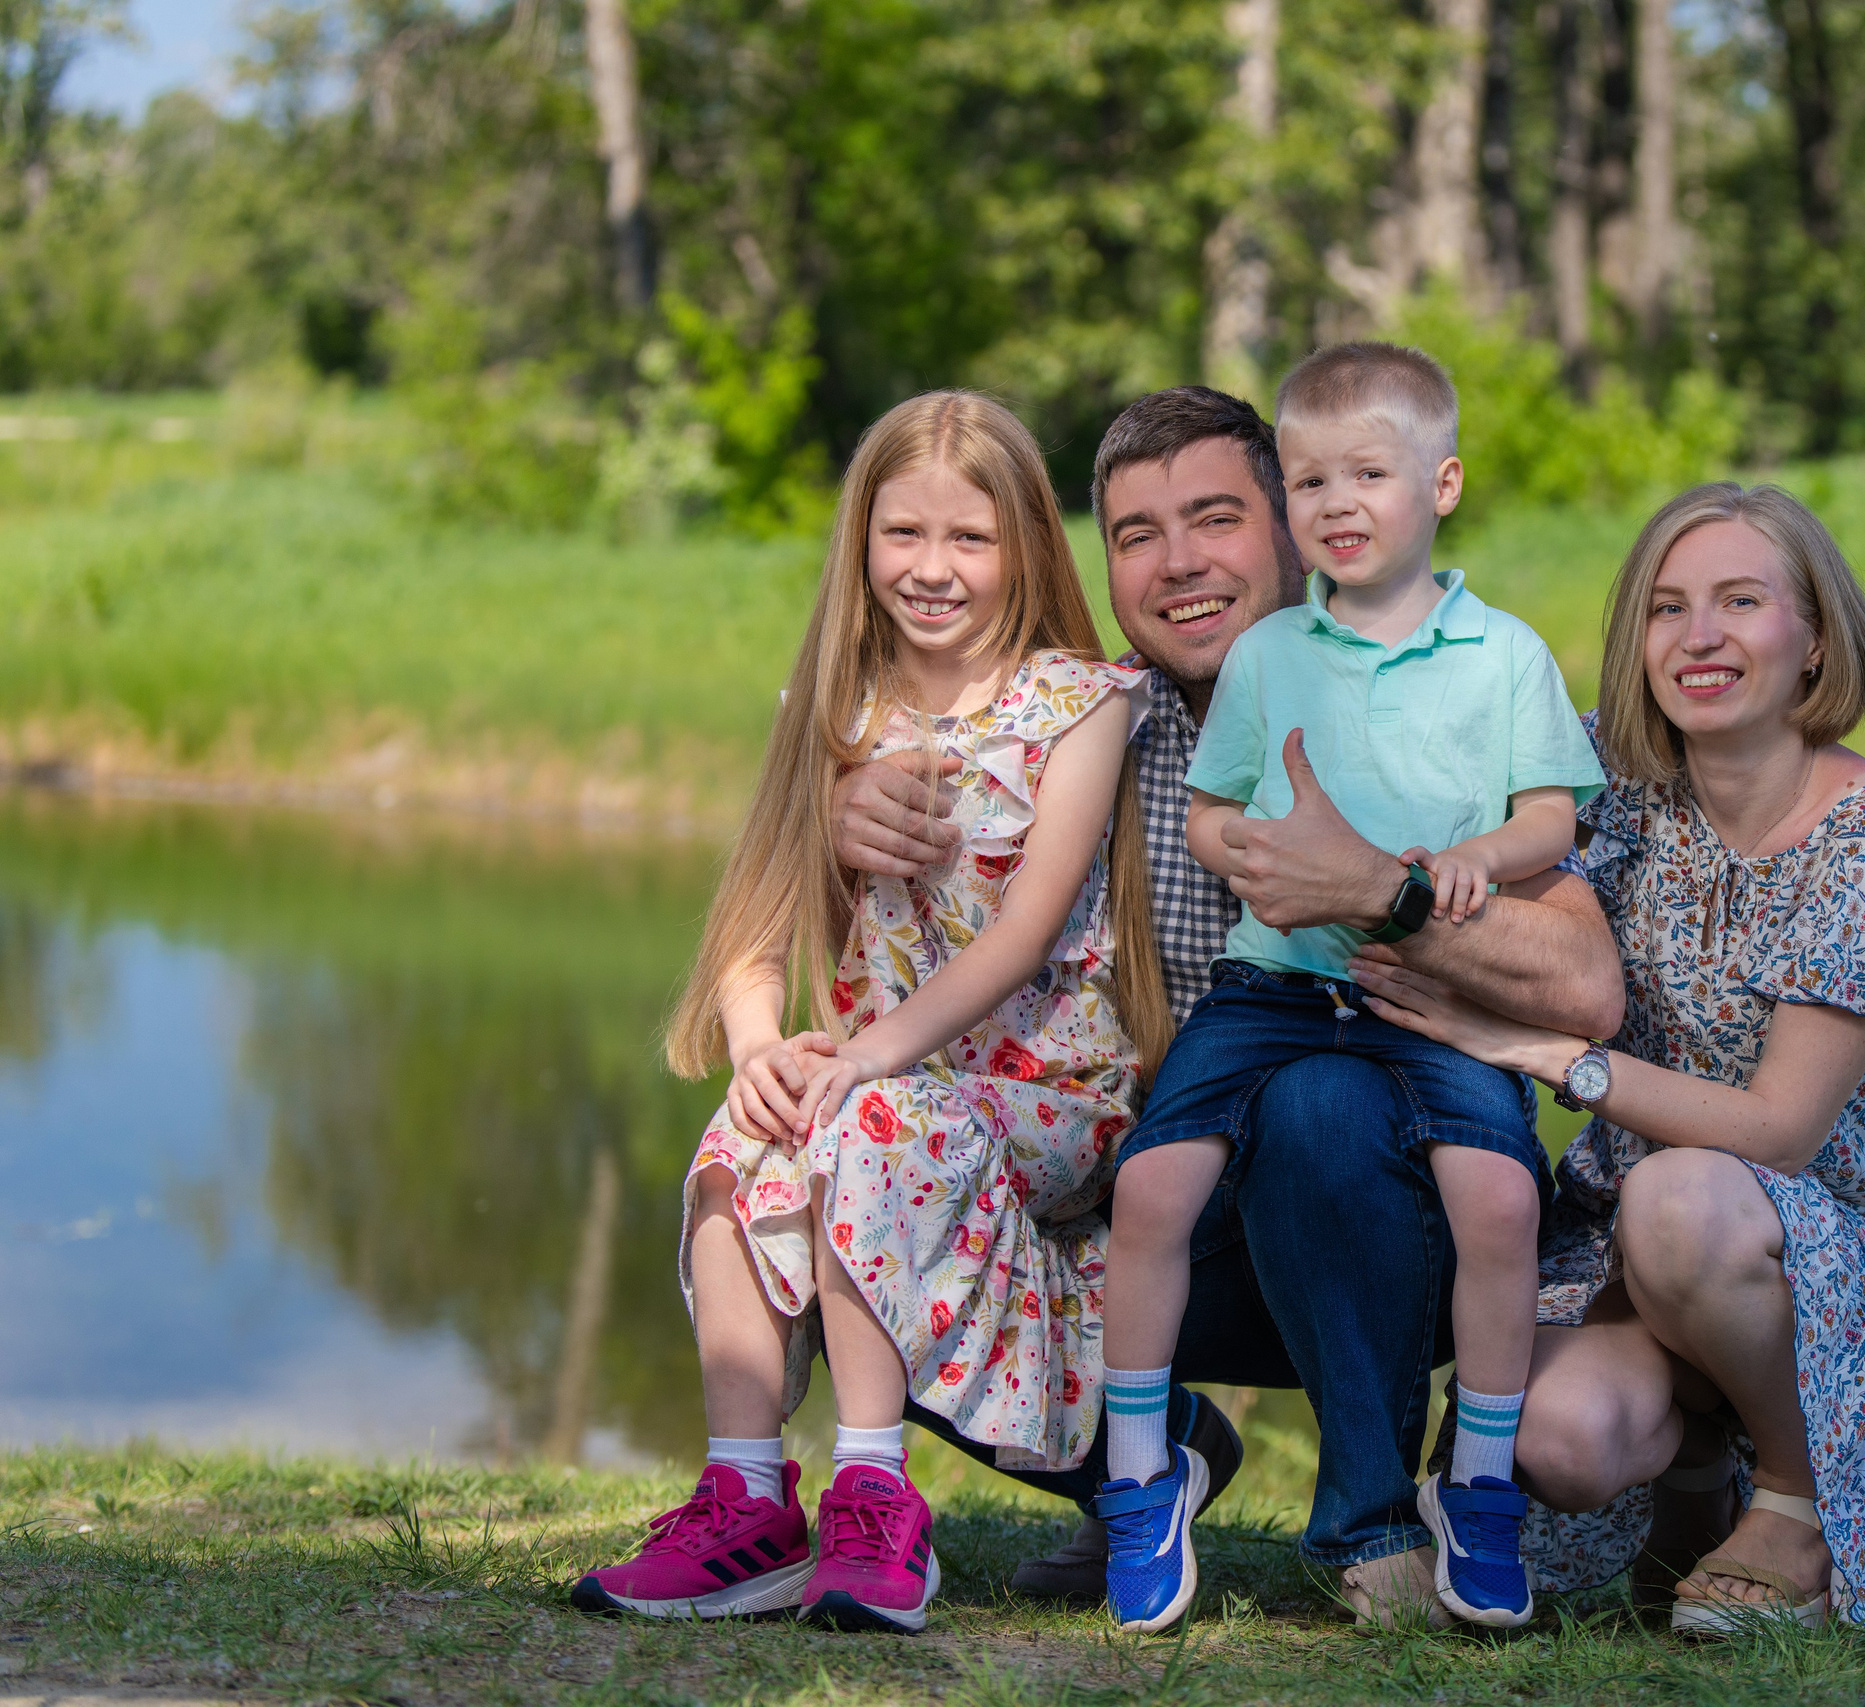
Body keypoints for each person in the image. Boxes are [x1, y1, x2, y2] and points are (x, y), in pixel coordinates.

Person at [826, 385, 1628, 1625]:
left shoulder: (1426, 696)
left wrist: (1385, 889)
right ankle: (1135, 1468)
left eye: (1216, 519)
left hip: (1402, 1217)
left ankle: (1373, 1530)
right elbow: (887, 892)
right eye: (1138, 533)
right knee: (866, 1181)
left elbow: (1585, 984)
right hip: (1148, 1217)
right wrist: (844, 823)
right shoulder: (1078, 729)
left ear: (1297, 526)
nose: (1179, 563)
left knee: (1316, 1100)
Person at [571, 391, 1155, 1634]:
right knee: (745, 1144)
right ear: (861, 539)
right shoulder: (829, 706)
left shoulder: (1081, 704)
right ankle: (746, 1504)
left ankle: (876, 1502)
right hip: (877, 1082)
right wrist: (760, 1050)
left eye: (970, 539)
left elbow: (1027, 928)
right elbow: (753, 924)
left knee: (866, 1120)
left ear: (1027, 547)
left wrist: (869, 1058)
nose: (931, 571)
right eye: (902, 536)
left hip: (1044, 1090)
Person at [1353, 482, 1865, 1631]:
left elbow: (1780, 1132)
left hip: (1815, 1253)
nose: (1698, 637)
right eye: (1667, 607)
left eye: (1740, 601)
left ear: (1815, 638)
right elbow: (1454, 826)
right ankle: (1699, 1486)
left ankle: (1793, 1504)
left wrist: (1544, 1050)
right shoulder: (1610, 788)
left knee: (1680, 1195)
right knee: (1554, 1439)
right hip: (1619, 1247)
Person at [1094, 343, 1602, 1633]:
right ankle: (1137, 1478)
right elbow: (1215, 809)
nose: (1336, 504)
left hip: (1396, 1049)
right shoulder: (1200, 686)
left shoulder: (1500, 658)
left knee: (1485, 1188)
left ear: (1440, 485)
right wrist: (1257, 862)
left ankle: (1467, 1491)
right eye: (1314, 477)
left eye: (1219, 515)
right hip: (1268, 1006)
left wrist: (1423, 880)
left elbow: (1569, 894)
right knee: (1157, 1177)